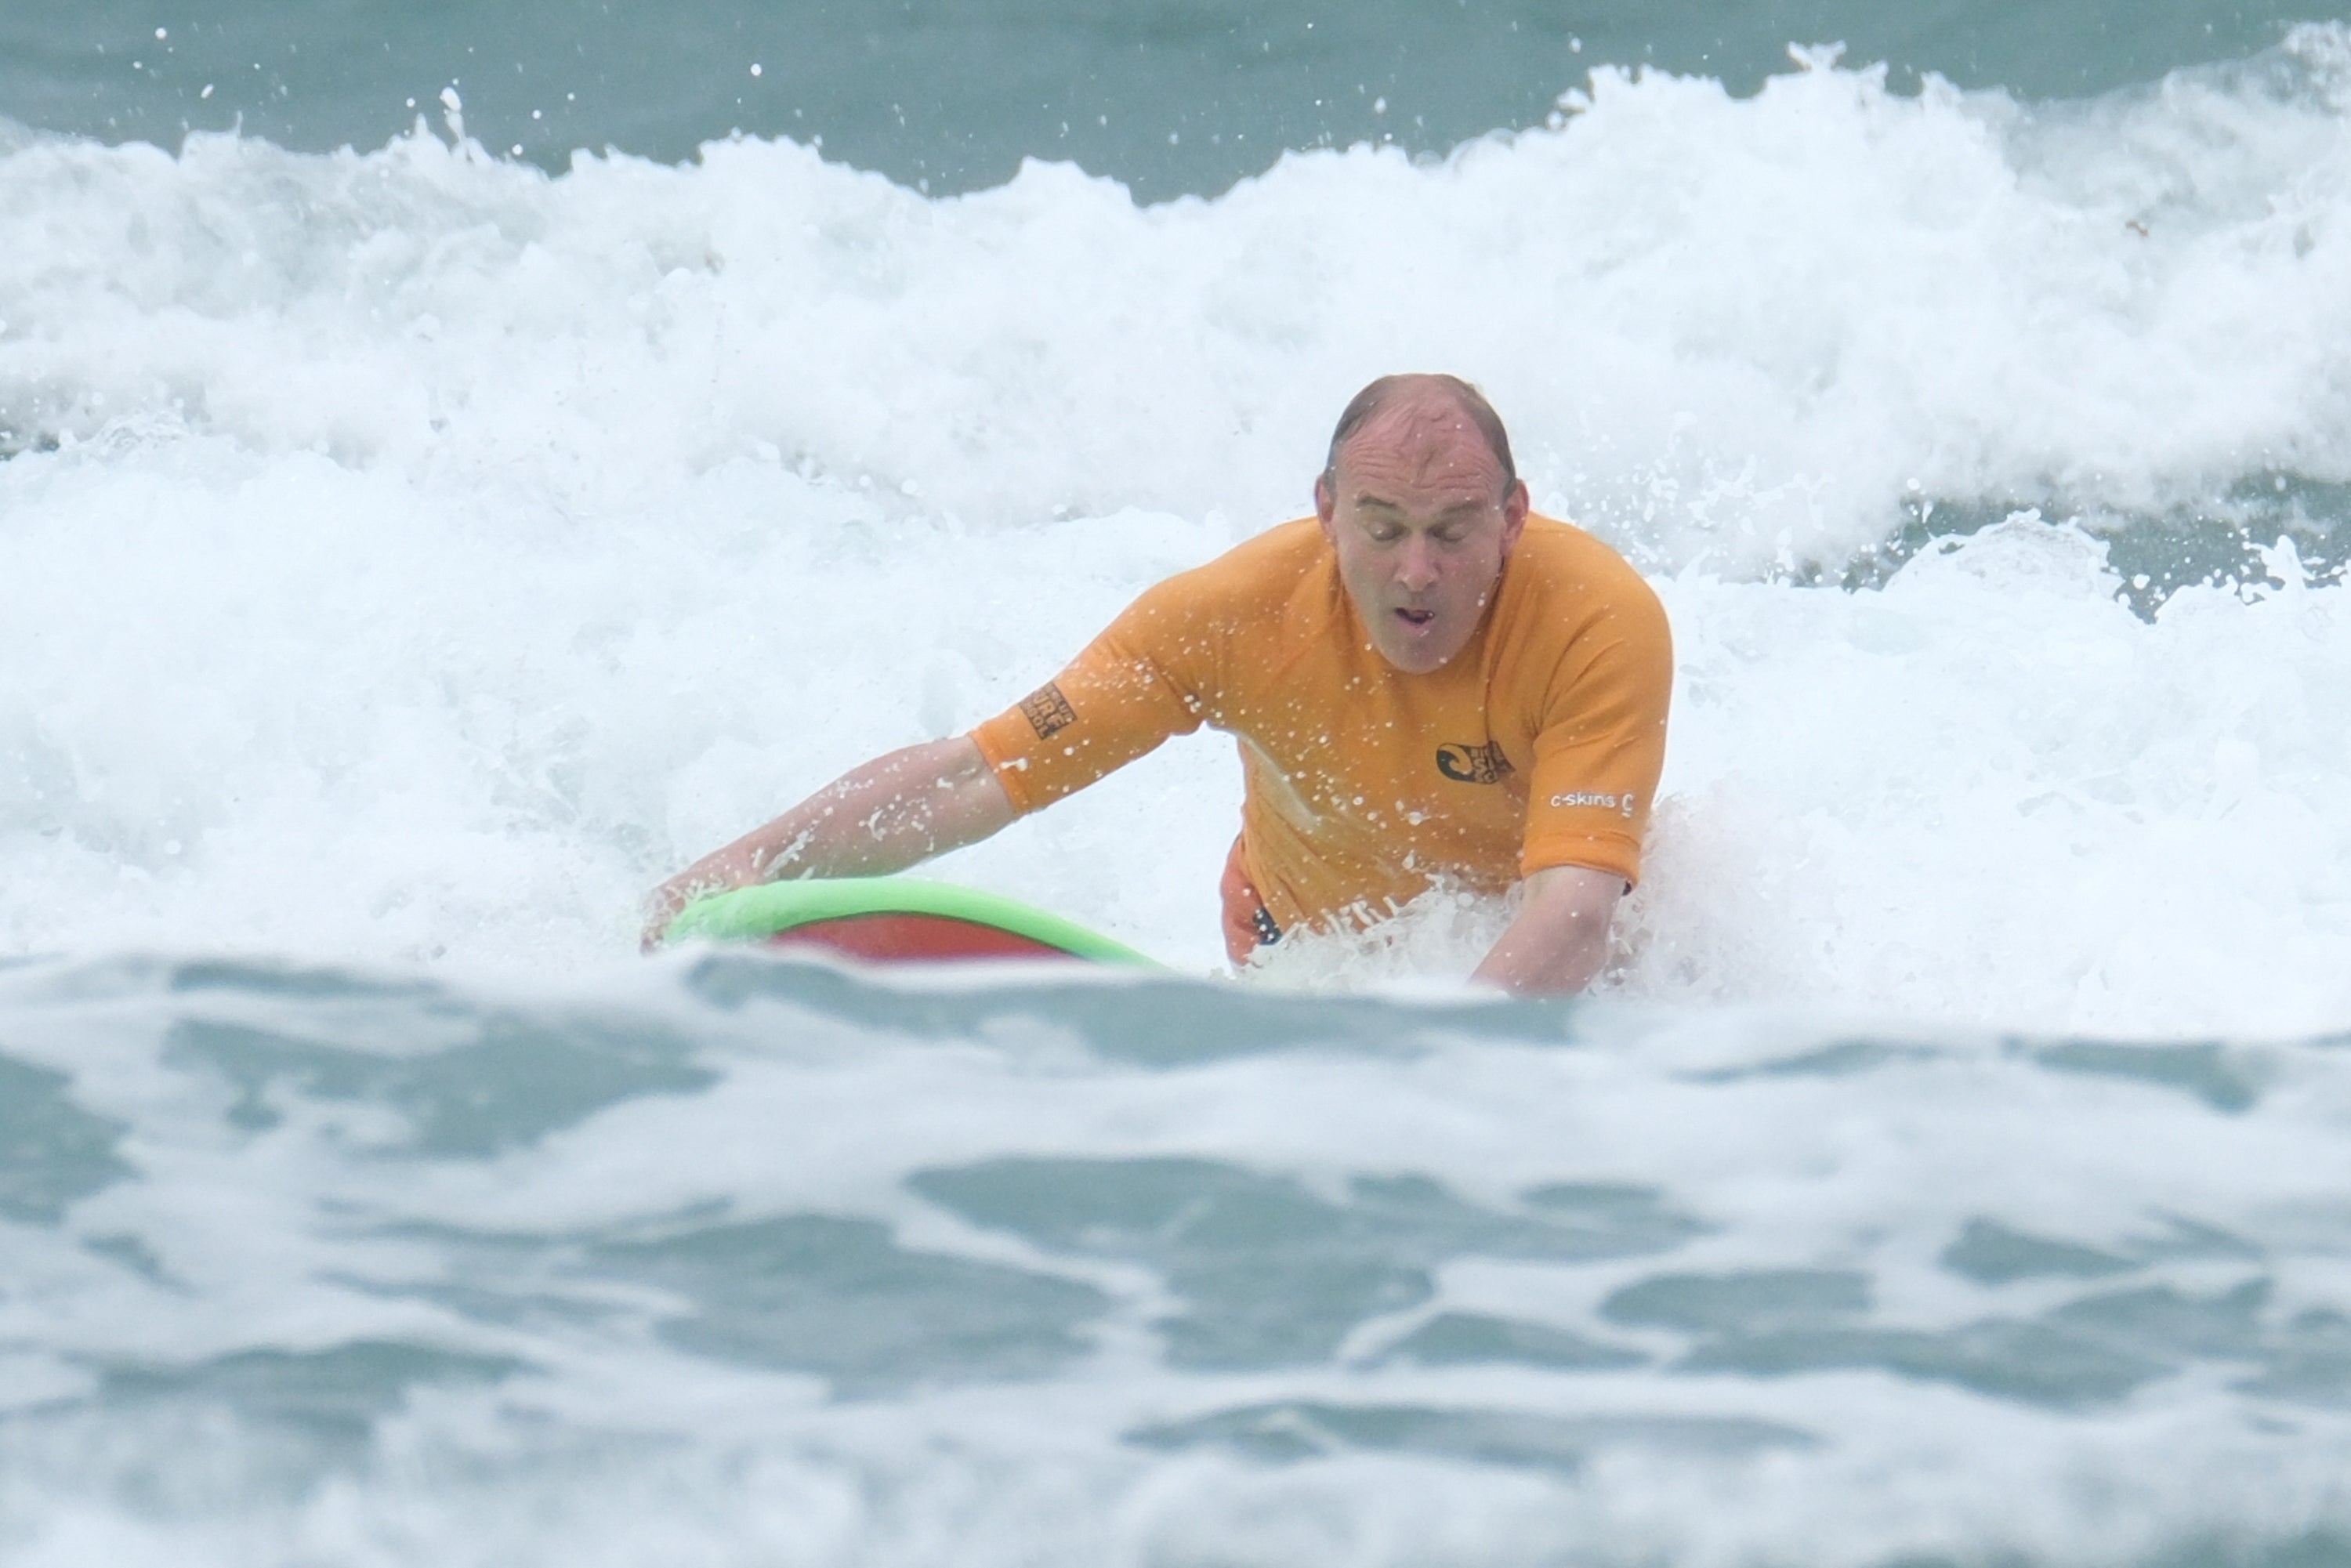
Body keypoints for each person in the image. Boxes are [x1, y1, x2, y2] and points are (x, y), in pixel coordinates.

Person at [643, 374, 1672, 992]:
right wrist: (734, 874)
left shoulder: (1593, 621)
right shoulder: (1234, 616)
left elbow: (1575, 915)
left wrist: (1429, 1070)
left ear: (1514, 516)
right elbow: (972, 775)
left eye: (1453, 533)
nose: (1417, 572)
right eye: (1383, 529)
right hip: (1305, 949)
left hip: (1552, 958)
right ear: (1326, 509)